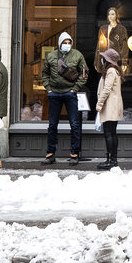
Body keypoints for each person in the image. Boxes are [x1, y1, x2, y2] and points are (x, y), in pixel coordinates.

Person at [42, 31, 88, 165]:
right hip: (54, 94)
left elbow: (84, 73)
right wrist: (48, 88)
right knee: (52, 125)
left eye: (69, 43)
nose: (67, 45)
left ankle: (74, 154)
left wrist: (75, 88)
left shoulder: (77, 55)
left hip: (70, 93)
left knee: (74, 124)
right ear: (60, 44)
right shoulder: (51, 56)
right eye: (64, 43)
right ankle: (50, 153)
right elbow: (45, 73)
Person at [95, 48, 125, 171]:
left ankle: (111, 161)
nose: (102, 60)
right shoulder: (115, 70)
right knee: (112, 133)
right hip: (113, 105)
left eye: (104, 58)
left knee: (109, 133)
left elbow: (107, 89)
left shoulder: (111, 71)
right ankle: (112, 159)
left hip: (110, 106)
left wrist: (99, 103)